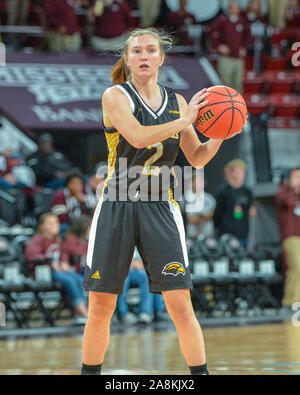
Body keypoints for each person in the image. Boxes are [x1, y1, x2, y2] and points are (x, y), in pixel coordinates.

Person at [80, 27, 241, 376]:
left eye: (150, 50)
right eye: (136, 51)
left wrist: (220, 133)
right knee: (100, 306)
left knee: (181, 305)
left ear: (161, 58)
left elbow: (196, 157)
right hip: (117, 203)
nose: (143, 56)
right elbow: (137, 137)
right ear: (127, 58)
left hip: (160, 206)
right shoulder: (115, 96)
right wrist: (184, 121)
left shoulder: (179, 102)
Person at [25, 213, 88, 324]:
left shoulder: (57, 240)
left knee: (78, 279)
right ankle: (83, 312)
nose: (54, 226)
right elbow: (31, 255)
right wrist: (48, 261)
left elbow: (63, 253)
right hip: (43, 272)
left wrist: (64, 262)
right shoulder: (38, 239)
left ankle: (77, 314)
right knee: (70, 281)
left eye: (56, 223)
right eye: (50, 223)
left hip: (58, 272)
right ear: (41, 226)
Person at [209, 1, 251, 93]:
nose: (235, 9)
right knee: (225, 84)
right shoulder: (222, 20)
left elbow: (247, 35)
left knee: (238, 83)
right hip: (226, 58)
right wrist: (218, 46)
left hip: (238, 58)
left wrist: (244, 47)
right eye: (233, 7)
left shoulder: (242, 21)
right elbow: (212, 32)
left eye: (237, 7)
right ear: (229, 8)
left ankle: (238, 106)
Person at [213, 159, 257, 246]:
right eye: (236, 171)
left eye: (241, 172)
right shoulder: (223, 192)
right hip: (226, 233)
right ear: (230, 173)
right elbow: (216, 216)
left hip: (243, 232)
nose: (239, 175)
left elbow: (252, 210)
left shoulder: (247, 192)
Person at [275, 167, 300, 308]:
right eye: (296, 176)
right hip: (291, 236)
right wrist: (291, 187)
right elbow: (288, 202)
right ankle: (291, 301)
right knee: (296, 266)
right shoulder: (283, 191)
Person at [117, 248, 153, 325]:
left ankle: (145, 312)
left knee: (146, 277)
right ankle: (123, 313)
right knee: (124, 278)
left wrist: (141, 262)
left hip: (136, 270)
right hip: (122, 269)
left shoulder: (139, 240)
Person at [184, 171, 216, 240]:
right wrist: (203, 216)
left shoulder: (209, 198)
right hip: (191, 235)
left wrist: (199, 217)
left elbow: (209, 216)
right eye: (195, 181)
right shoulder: (185, 199)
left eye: (200, 181)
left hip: (207, 234)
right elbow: (191, 219)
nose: (198, 184)